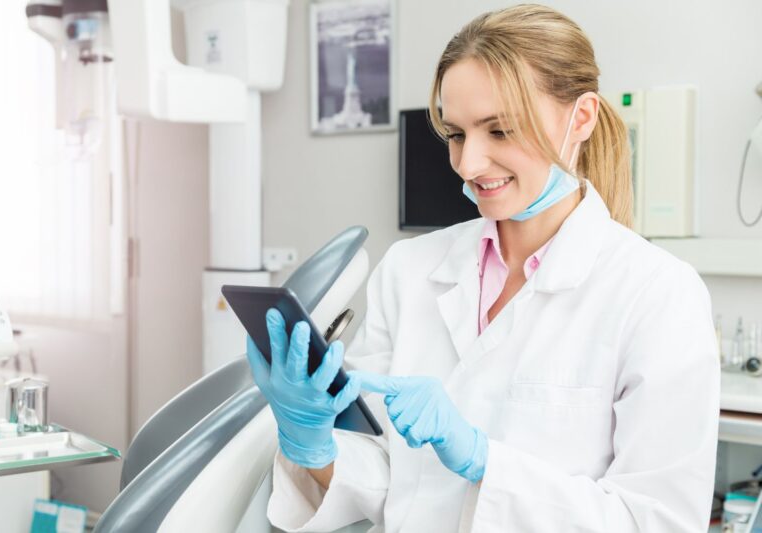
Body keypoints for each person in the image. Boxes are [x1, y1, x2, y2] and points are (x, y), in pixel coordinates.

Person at [246, 4, 719, 532]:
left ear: (580, 118)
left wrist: (483, 460)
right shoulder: (408, 270)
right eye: (456, 134)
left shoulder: (657, 293)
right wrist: (309, 440)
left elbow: (659, 522)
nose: (468, 165)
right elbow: (384, 484)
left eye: (500, 130)